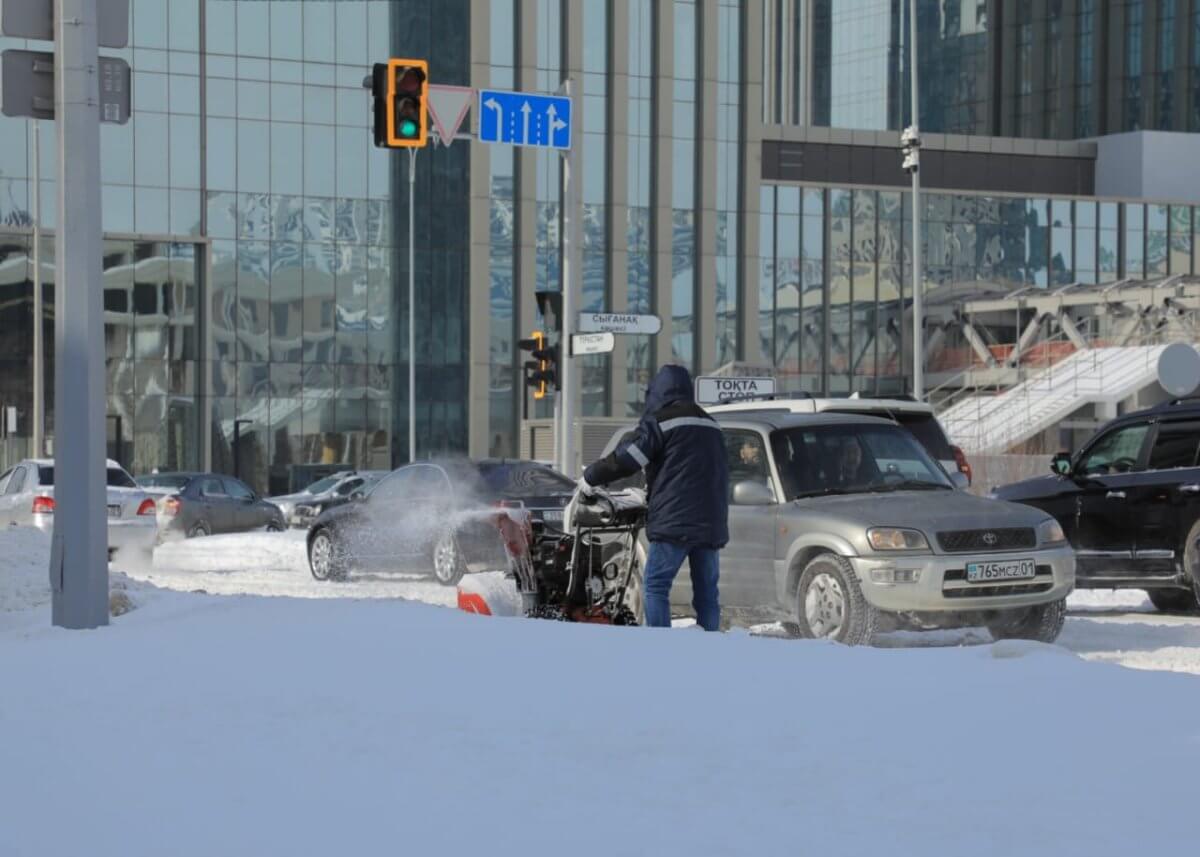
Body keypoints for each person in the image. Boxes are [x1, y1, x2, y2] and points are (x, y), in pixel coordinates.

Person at [579, 365, 729, 631]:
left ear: (658, 392)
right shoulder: (711, 424)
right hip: (711, 521)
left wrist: (592, 476)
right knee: (708, 593)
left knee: (656, 585)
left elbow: (628, 459)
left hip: (675, 520)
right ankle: (711, 643)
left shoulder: (661, 422)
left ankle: (660, 645)